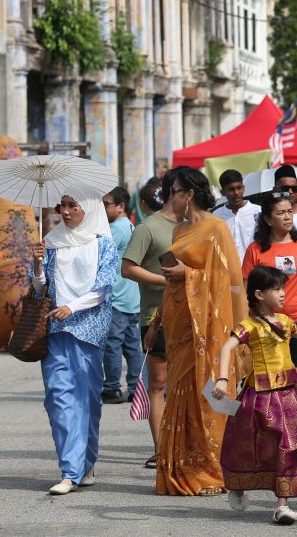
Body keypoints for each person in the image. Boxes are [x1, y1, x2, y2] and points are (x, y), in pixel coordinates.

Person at [212, 265, 297, 525]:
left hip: (287, 396)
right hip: (256, 396)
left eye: (283, 288)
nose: (283, 293)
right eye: (277, 289)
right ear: (259, 294)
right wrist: (223, 379)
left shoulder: (285, 322)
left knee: (291, 443)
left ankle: (282, 504)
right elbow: (226, 348)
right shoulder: (249, 326)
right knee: (248, 444)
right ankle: (238, 484)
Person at [155, 167, 245, 496]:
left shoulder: (215, 228)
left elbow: (228, 281)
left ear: (189, 193)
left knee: (207, 395)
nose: (169, 199)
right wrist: (157, 322)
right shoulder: (179, 230)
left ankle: (212, 470)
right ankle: (183, 466)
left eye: (173, 192)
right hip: (179, 325)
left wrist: (188, 274)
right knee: (180, 394)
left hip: (207, 328)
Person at [30, 186, 119, 496]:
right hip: (55, 331)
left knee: (87, 400)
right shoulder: (51, 242)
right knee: (57, 398)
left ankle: (86, 463)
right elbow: (41, 291)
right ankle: (70, 470)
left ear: (89, 209)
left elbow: (103, 288)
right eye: (62, 206)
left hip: (89, 330)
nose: (66, 212)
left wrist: (73, 307)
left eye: (73, 206)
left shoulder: (102, 243)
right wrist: (38, 265)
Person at [242, 191, 297, 412]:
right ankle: (279, 437)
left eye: (289, 211)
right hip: (266, 326)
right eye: (280, 213)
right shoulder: (255, 250)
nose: (287, 217)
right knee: (273, 386)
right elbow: (247, 290)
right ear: (268, 219)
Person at [120, 174, 178, 470]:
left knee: (191, 384)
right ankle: (162, 449)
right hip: (155, 317)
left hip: (194, 318)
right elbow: (127, 269)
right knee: (158, 384)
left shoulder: (198, 227)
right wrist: (166, 280)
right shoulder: (148, 227)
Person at [101, 187, 142, 404]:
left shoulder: (116, 229)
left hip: (118, 296)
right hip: (131, 296)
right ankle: (135, 387)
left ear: (120, 207)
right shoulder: (129, 226)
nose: (103, 208)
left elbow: (99, 254)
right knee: (131, 345)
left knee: (112, 345)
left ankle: (112, 387)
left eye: (106, 204)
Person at [213, 169, 261, 259]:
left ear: (244, 188)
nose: (236, 193)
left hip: (255, 269)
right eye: (231, 189)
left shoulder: (258, 211)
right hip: (227, 270)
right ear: (223, 192)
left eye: (239, 188)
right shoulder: (216, 216)